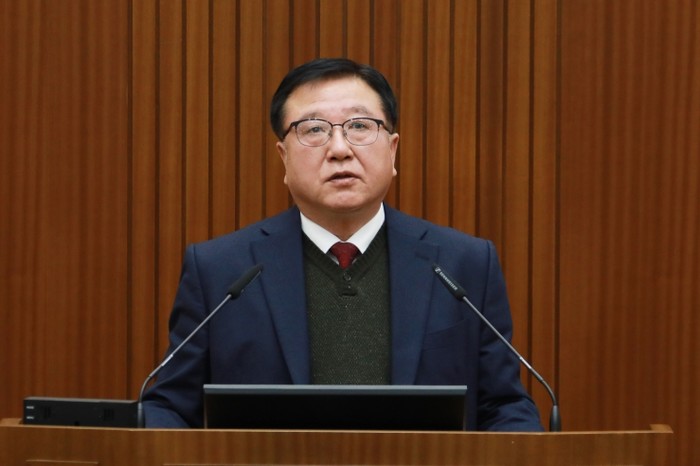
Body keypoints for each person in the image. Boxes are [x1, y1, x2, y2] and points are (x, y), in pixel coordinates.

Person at [142, 57, 543, 431]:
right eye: (314, 129)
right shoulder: (221, 271)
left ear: (393, 149)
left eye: (360, 126)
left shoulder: (464, 264)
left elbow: (506, 407)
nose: (339, 149)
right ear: (283, 157)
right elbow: (170, 407)